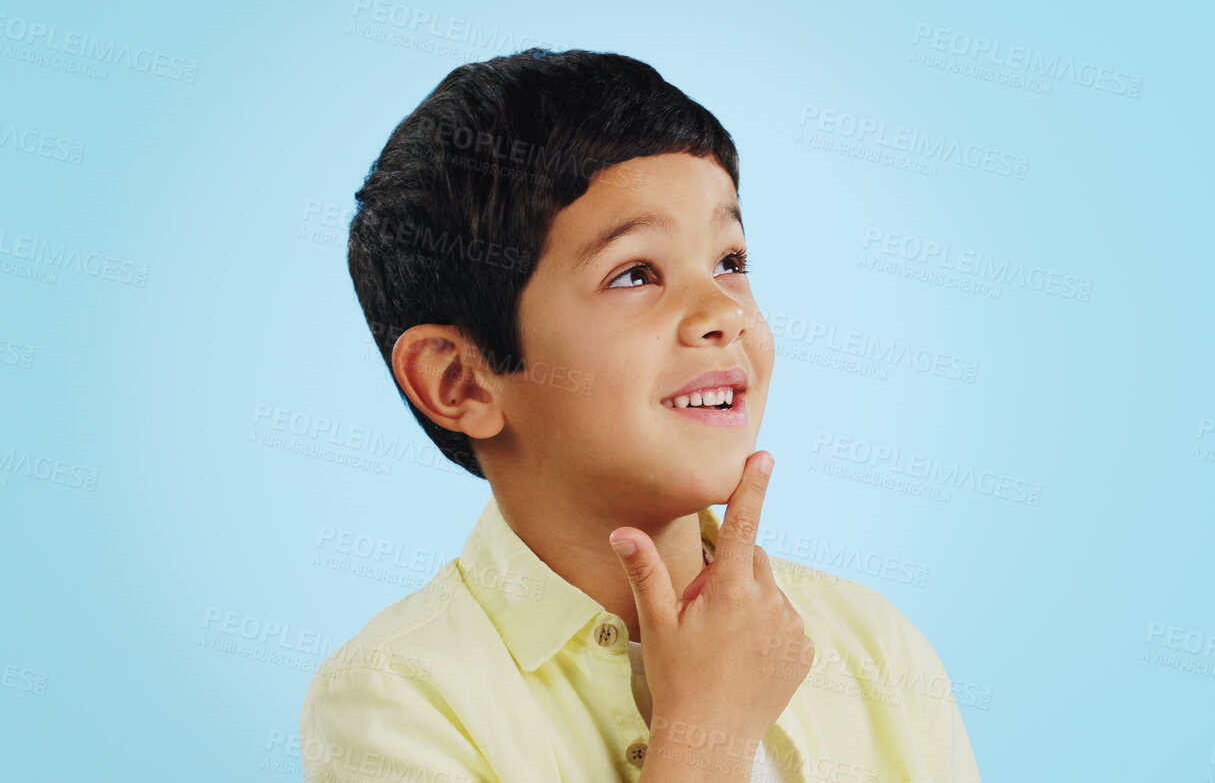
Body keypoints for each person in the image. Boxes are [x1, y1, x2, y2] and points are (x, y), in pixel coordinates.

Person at [299, 49, 980, 783]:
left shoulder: (872, 649)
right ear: (460, 381)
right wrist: (706, 728)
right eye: (635, 274)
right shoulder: (396, 698)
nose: (723, 313)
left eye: (729, 260)